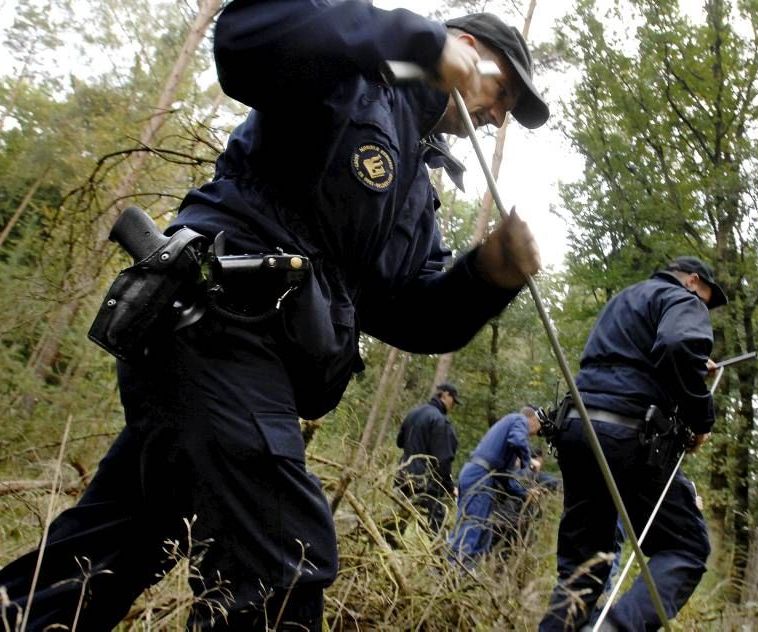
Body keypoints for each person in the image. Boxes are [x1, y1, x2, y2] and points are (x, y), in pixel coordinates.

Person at [0, 3, 549, 630]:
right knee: (284, 561)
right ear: (466, 46)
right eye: (501, 89)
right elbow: (246, 37)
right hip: (212, 321)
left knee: (107, 553)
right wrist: (416, 41)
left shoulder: (416, 196)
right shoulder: (357, 74)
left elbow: (408, 314)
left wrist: (486, 278)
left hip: (261, 370)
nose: (497, 113)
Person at [539, 256, 727, 632]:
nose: (703, 308)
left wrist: (688, 363)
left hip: (576, 428)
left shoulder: (625, 299)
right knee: (686, 547)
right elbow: (676, 344)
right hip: (627, 438)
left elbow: (633, 360)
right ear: (692, 281)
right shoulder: (683, 300)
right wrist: (700, 418)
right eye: (705, 298)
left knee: (583, 568)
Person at [448, 406, 542, 568]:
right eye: (539, 425)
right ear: (533, 419)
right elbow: (518, 440)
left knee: (483, 533)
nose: (537, 432)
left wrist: (525, 493)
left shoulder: (507, 444)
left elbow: (506, 480)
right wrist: (528, 464)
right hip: (480, 476)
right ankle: (452, 572)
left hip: (482, 477)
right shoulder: (518, 420)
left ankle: (464, 574)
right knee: (472, 527)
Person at [393, 383, 461, 533]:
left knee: (399, 515)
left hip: (402, 473)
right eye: (453, 400)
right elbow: (443, 460)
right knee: (437, 517)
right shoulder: (440, 421)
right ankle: (437, 552)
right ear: (445, 395)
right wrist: (449, 486)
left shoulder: (413, 413)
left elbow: (399, 442)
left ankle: (387, 541)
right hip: (423, 480)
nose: (454, 405)